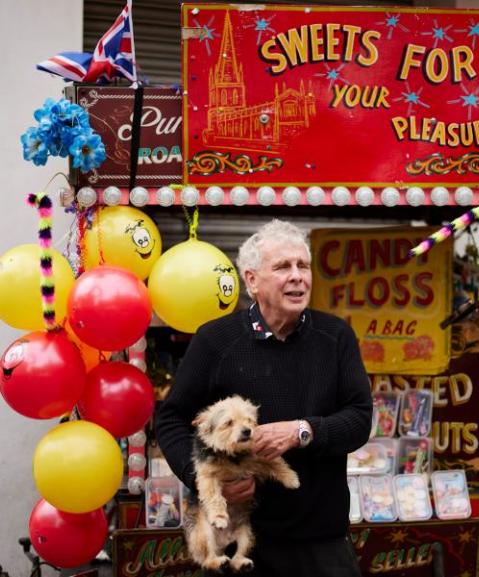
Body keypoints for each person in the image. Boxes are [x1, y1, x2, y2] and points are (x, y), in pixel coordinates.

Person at [156, 219, 372, 577]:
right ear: (252, 280)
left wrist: (303, 431)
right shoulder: (215, 340)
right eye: (283, 266)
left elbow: (360, 419)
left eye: (303, 266)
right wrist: (207, 479)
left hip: (321, 541)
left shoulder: (336, 336)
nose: (297, 276)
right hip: (236, 540)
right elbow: (171, 419)